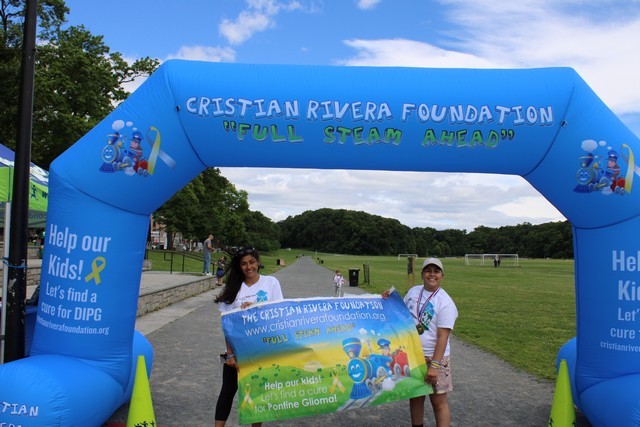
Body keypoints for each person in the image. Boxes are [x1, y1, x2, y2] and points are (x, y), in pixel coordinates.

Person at [382, 257, 458, 427]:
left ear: (442, 275)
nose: (432, 274)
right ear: (422, 274)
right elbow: (401, 313)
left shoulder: (446, 302)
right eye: (428, 271)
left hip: (435, 358)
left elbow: (443, 337)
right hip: (414, 355)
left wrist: (435, 366)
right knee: (415, 398)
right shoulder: (413, 292)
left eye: (436, 271)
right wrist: (388, 299)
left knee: (438, 403)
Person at [214, 247, 284, 427]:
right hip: (237, 351)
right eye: (244, 264)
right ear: (239, 266)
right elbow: (227, 325)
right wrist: (230, 353)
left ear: (258, 262)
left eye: (252, 262)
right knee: (227, 392)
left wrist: (255, 309)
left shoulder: (271, 283)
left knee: (256, 395)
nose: (249, 267)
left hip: (261, 350)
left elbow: (278, 314)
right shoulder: (234, 287)